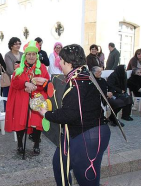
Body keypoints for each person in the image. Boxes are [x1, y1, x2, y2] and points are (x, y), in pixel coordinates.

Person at [38, 44, 111, 186]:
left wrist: (46, 113)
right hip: (82, 132)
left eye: (61, 60)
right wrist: (48, 84)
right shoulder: (82, 75)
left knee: (87, 179)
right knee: (60, 165)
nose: (58, 63)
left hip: (88, 135)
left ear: (69, 63)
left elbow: (68, 114)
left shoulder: (77, 82)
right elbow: (67, 95)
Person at [5, 40, 50, 155]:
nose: (31, 56)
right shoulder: (19, 68)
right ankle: (20, 143)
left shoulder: (43, 68)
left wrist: (36, 87)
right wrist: (25, 84)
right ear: (25, 55)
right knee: (21, 121)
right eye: (29, 54)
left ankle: (36, 144)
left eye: (33, 54)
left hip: (37, 97)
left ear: (36, 56)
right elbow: (15, 83)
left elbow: (46, 83)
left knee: (37, 121)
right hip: (22, 97)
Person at [3, 37, 23, 107]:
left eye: (19, 44)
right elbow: (10, 70)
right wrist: (21, 71)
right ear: (11, 46)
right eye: (15, 44)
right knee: (10, 102)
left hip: (22, 81)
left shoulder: (23, 54)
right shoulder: (8, 55)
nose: (18, 45)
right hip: (10, 81)